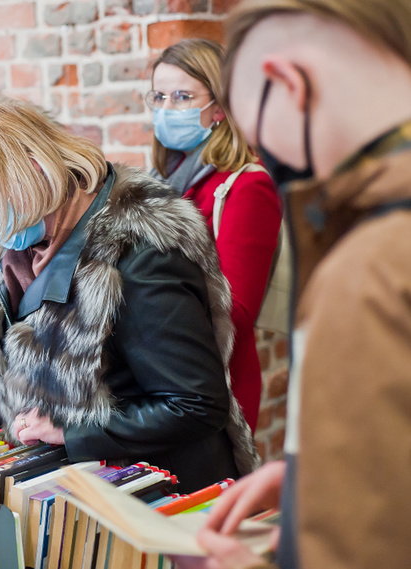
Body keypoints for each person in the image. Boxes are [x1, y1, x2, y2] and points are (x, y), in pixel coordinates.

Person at [171, 0, 411, 567]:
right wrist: (316, 479)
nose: (270, 165)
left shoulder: (371, 269)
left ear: (287, 83)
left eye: (262, 142)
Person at [0, 99, 261, 493]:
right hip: (91, 499)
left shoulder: (136, 254)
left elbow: (195, 405)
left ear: (32, 166)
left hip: (163, 501)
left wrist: (71, 430)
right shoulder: (27, 253)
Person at [148, 38, 282, 433]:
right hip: (163, 377)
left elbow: (236, 310)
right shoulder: (162, 180)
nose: (167, 109)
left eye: (183, 97)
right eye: (158, 96)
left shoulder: (245, 185)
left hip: (215, 384)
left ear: (220, 107)